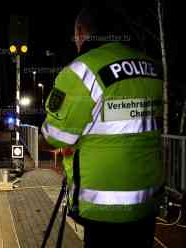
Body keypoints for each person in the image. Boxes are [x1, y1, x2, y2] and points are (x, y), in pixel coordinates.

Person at [42, 7, 163, 248]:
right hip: (147, 199)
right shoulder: (151, 68)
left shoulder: (80, 71)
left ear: (80, 32)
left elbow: (54, 136)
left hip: (103, 207)